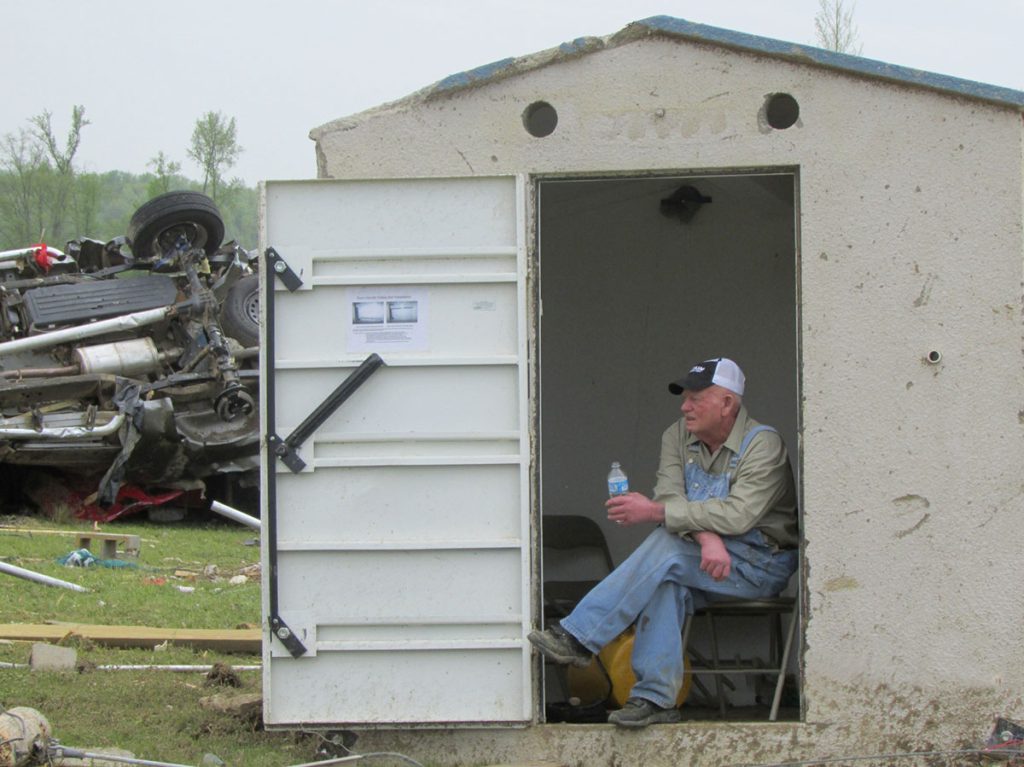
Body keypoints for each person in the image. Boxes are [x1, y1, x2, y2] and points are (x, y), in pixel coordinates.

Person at [528, 357, 799, 728]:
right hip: (704, 560)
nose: (684, 407)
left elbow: (738, 516)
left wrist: (661, 515)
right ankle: (654, 700)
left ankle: (579, 637)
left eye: (696, 399)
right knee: (664, 578)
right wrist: (706, 538)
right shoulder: (676, 435)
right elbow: (670, 497)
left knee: (666, 547)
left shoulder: (763, 445)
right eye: (684, 398)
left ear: (727, 404)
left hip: (760, 564)